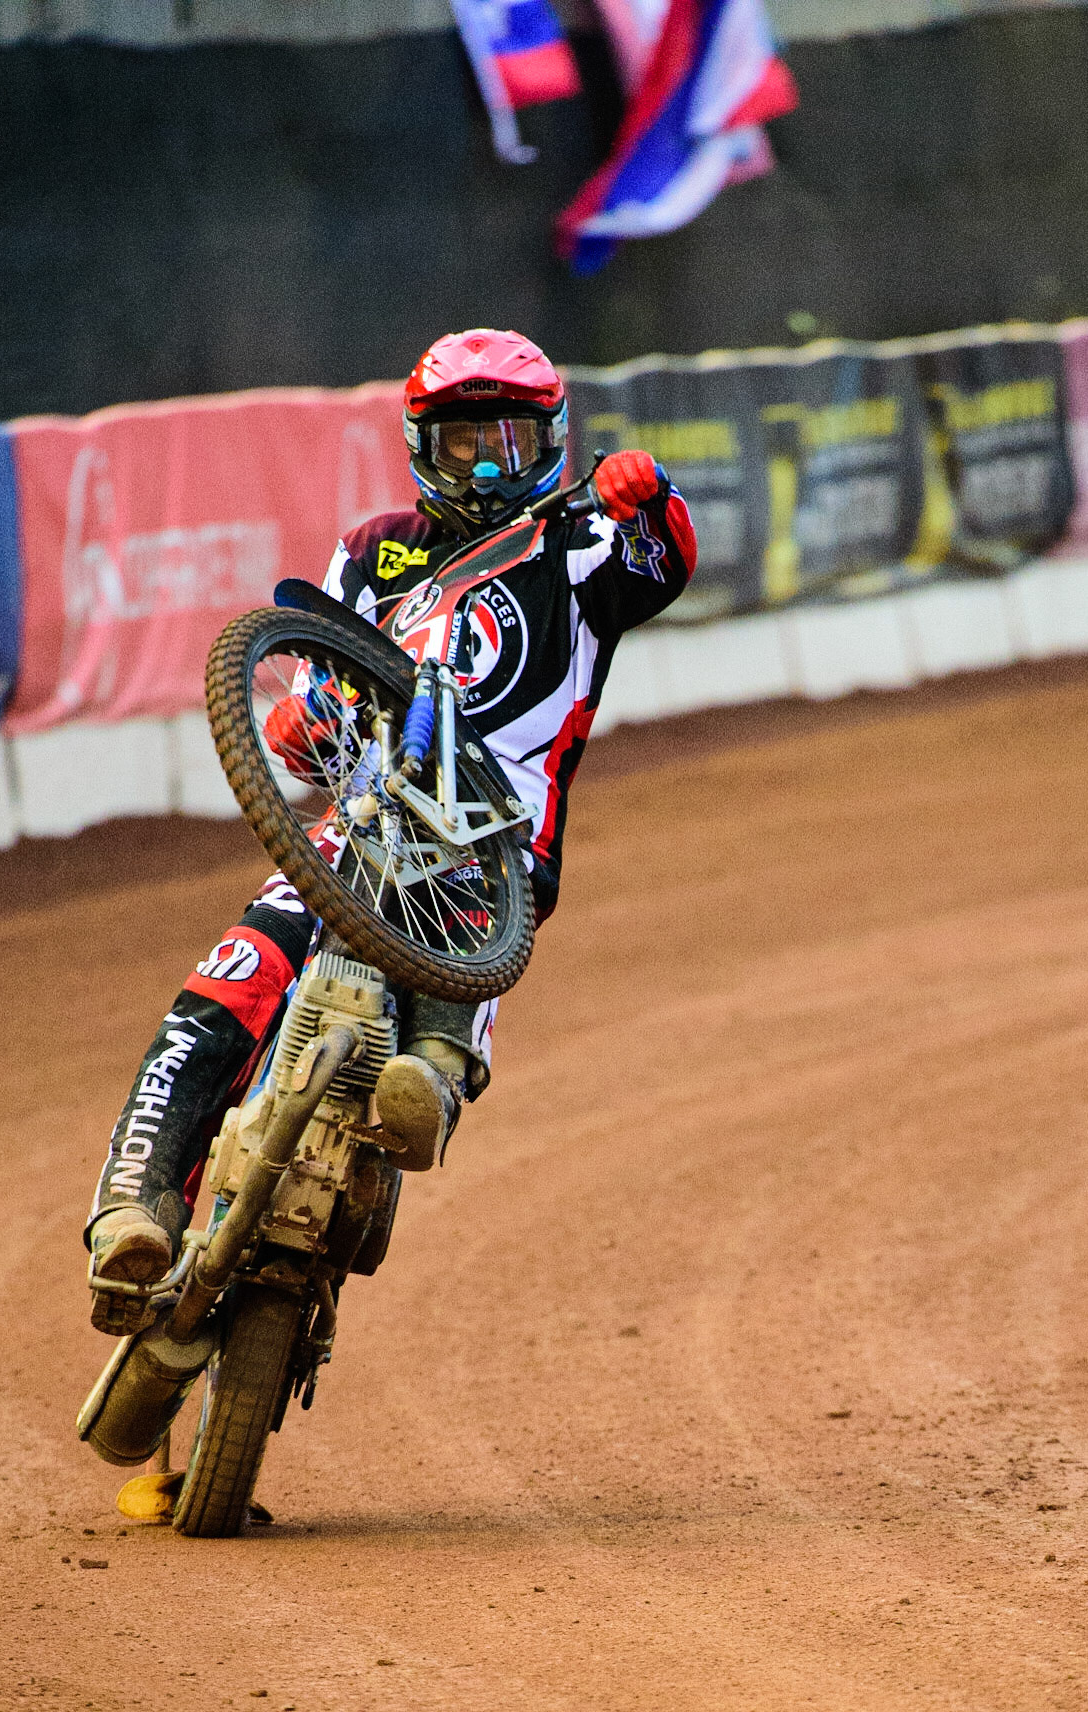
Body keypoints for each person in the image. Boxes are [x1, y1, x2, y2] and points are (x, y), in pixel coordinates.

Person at [85, 328, 697, 1331]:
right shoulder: (375, 550)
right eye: (466, 440)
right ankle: (133, 1201)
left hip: (492, 846)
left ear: (553, 435)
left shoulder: (584, 548)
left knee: (436, 1029)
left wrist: (650, 494)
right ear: (424, 444)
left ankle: (432, 1081)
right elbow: (323, 669)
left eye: (514, 433)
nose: (493, 458)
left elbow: (662, 561)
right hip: (357, 826)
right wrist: (301, 717)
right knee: (235, 974)